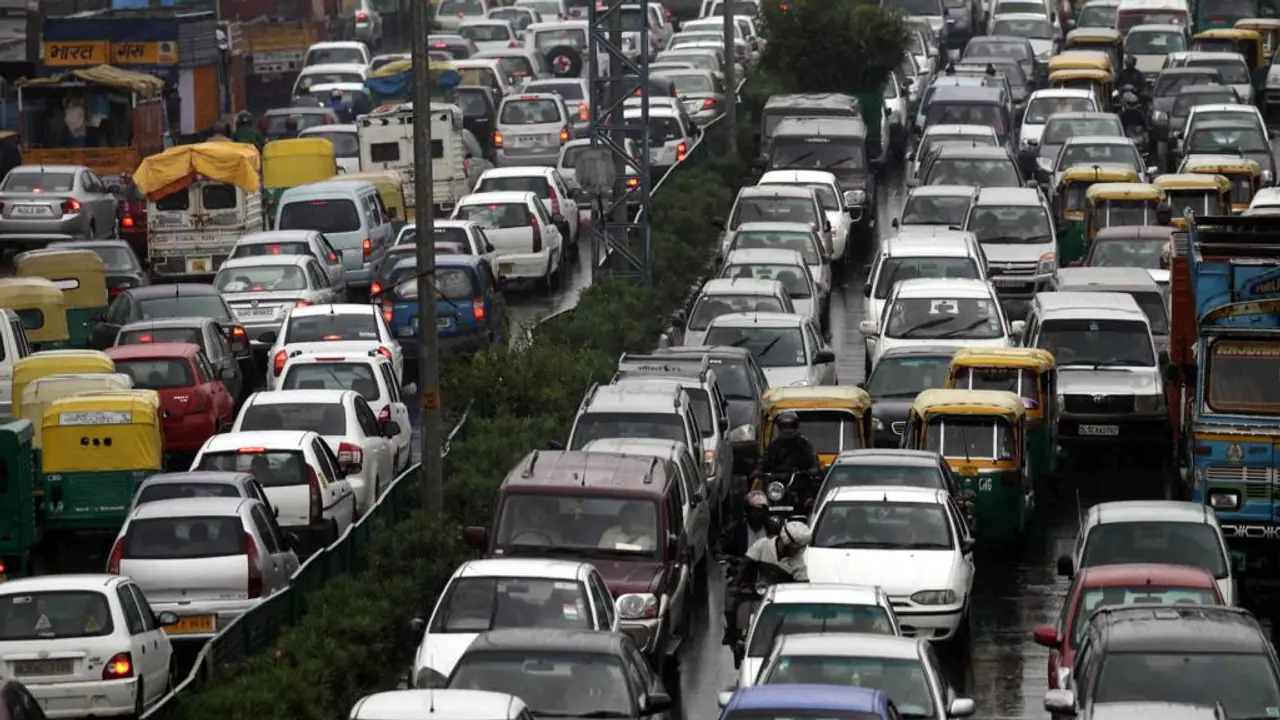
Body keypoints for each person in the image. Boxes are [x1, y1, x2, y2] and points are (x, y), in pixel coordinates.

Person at [722, 520, 813, 644]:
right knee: (731, 597)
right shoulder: (763, 545)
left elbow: (803, 585)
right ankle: (731, 632)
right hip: (756, 589)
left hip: (778, 601)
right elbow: (746, 563)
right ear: (786, 541)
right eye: (795, 548)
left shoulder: (798, 563)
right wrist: (737, 583)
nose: (797, 552)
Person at [755, 411, 820, 480]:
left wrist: (813, 469)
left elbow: (813, 459)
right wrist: (758, 469)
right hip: (777, 481)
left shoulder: (803, 443)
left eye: (791, 426)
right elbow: (764, 459)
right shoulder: (775, 445)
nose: (788, 429)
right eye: (785, 426)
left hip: (799, 480)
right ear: (780, 427)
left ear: (796, 426)